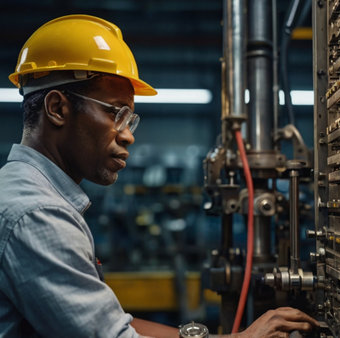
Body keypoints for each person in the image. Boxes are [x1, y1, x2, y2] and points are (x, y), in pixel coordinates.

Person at [0, 14, 318, 337]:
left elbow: (111, 323)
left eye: (130, 120)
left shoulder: (34, 196)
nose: (128, 136)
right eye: (116, 114)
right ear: (57, 108)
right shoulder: (38, 214)